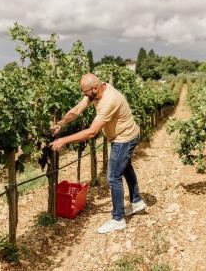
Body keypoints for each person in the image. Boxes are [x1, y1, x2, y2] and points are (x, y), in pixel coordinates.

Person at [50, 73, 146, 234]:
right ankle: (136, 201)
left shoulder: (109, 100)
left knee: (113, 176)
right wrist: (61, 123)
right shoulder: (96, 92)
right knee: (125, 167)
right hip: (124, 135)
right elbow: (78, 109)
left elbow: (91, 132)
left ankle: (118, 219)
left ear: (95, 88)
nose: (84, 95)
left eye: (86, 91)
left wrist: (63, 140)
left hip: (125, 138)